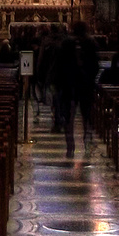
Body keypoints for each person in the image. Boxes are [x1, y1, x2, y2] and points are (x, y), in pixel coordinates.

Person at [52, 27, 81, 156]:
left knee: (66, 117)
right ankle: (70, 142)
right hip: (73, 93)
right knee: (70, 119)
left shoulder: (60, 59)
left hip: (63, 93)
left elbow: (56, 76)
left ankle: (69, 142)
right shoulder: (76, 61)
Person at [74, 21, 101, 143]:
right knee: (86, 107)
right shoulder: (91, 43)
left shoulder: (69, 42)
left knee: (72, 107)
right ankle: (87, 128)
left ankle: (69, 130)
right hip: (87, 80)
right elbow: (96, 65)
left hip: (74, 81)